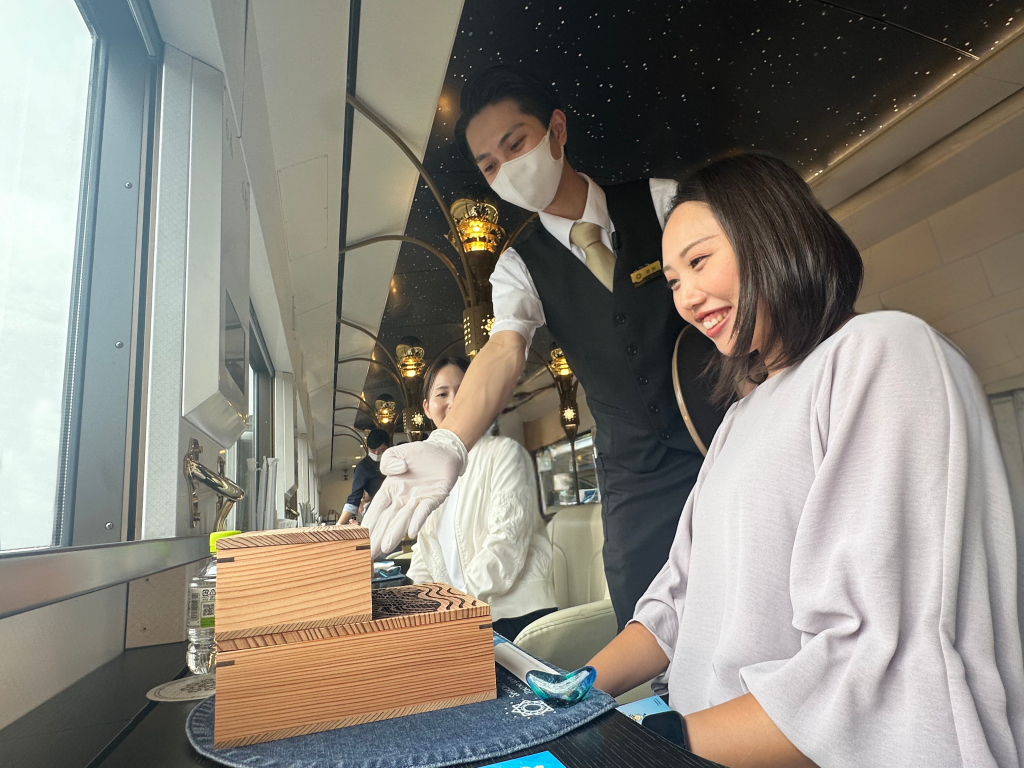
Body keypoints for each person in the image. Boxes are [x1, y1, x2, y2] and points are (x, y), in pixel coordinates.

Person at [587, 152, 1024, 767]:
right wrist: (572, 695)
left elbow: (879, 655)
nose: (686, 297)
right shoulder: (740, 419)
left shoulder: (880, 351)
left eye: (699, 261)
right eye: (673, 281)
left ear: (769, 235)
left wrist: (657, 742)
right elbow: (675, 601)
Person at [365, 66, 719, 630]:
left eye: (515, 144)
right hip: (636, 486)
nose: (507, 168)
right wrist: (451, 442)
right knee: (658, 634)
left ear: (556, 129)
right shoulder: (518, 266)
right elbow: (505, 349)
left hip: (723, 440)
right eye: (490, 165)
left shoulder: (661, 202)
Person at [406, 356, 557, 641]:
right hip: (464, 615)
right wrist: (415, 606)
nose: (453, 402)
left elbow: (505, 545)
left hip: (515, 617)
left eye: (463, 391)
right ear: (427, 408)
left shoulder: (505, 454)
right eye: (442, 394)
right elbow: (425, 555)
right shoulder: (430, 476)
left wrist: (452, 607)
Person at [339, 428, 390, 526]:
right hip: (378, 514)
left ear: (388, 448)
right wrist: (339, 525)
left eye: (381, 451)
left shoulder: (394, 461)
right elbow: (354, 498)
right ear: (367, 448)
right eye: (373, 450)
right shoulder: (363, 467)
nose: (376, 454)